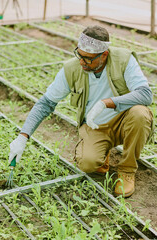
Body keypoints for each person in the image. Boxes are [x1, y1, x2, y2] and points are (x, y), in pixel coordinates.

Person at [9, 26, 153, 198]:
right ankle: (102, 154)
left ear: (104, 55)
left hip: (125, 121)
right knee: (88, 163)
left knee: (140, 114)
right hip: (96, 126)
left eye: (88, 59)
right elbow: (46, 103)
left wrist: (107, 103)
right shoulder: (72, 69)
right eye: (79, 54)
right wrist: (23, 136)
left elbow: (145, 94)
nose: (82, 62)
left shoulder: (124, 60)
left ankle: (127, 170)